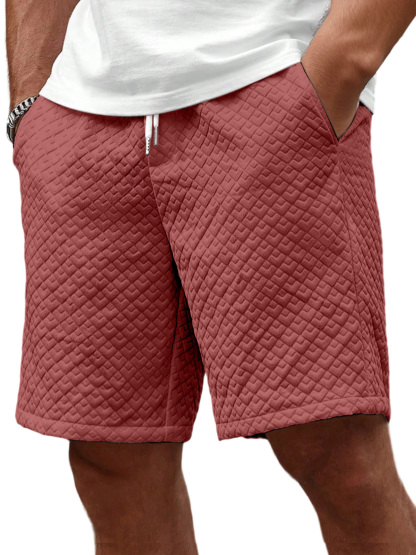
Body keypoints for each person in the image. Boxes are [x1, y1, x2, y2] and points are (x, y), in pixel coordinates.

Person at [5, 0, 416, 553]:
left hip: (267, 83)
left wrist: (342, 65)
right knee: (111, 462)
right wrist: (30, 109)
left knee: (333, 449)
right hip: (84, 113)